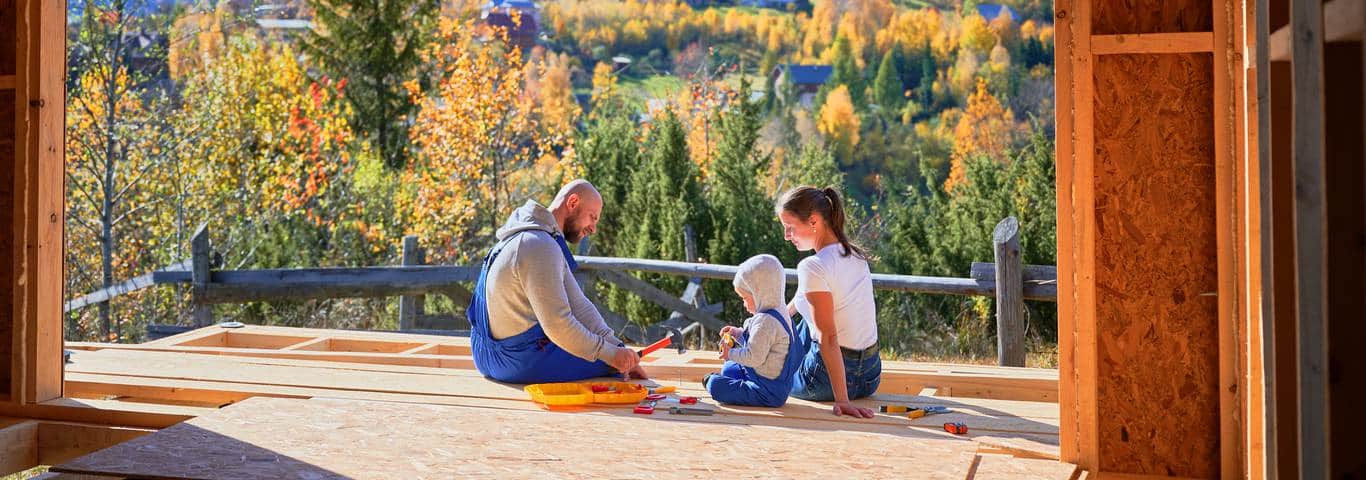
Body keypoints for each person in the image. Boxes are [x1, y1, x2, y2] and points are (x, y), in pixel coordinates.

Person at [466, 180, 647, 384]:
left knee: (611, 356)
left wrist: (619, 348)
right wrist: (613, 356)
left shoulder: (527, 236)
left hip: (483, 354)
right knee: (610, 365)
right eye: (592, 217)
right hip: (516, 361)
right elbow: (559, 324)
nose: (593, 228)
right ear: (572, 202)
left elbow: (580, 306)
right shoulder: (539, 245)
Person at [777, 186, 880, 418]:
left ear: (813, 221)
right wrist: (753, 327)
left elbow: (829, 337)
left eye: (790, 228)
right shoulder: (854, 255)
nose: (786, 236)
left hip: (827, 381)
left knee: (767, 376)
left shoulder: (813, 266)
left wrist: (842, 400)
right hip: (871, 375)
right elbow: (796, 304)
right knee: (803, 321)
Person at [702, 254, 805, 408]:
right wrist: (738, 333)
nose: (744, 304)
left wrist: (729, 353)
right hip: (767, 376)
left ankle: (712, 381)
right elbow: (760, 342)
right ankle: (736, 383)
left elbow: (753, 357)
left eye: (745, 297)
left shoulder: (766, 322)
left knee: (716, 385)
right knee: (730, 368)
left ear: (759, 293)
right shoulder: (778, 311)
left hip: (766, 391)